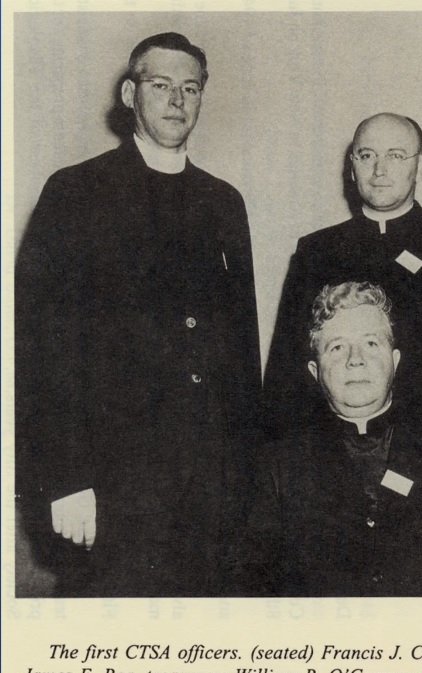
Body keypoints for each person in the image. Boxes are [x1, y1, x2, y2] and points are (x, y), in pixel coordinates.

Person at [15, 32, 262, 597]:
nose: (177, 99)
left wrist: (250, 480)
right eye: (161, 85)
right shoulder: (76, 191)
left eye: (190, 88)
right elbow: (40, 349)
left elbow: (242, 353)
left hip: (212, 487)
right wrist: (65, 480)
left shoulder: (224, 201)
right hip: (112, 482)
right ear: (129, 93)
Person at [240, 282, 422, 596]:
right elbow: (246, 583)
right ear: (314, 370)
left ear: (395, 361)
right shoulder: (279, 467)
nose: (355, 359)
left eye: (370, 343)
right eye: (337, 347)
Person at [262, 113, 422, 445]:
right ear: (352, 166)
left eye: (395, 156)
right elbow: (287, 368)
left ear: (421, 165)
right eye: (367, 155)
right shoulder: (316, 252)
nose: (379, 170)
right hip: (334, 447)